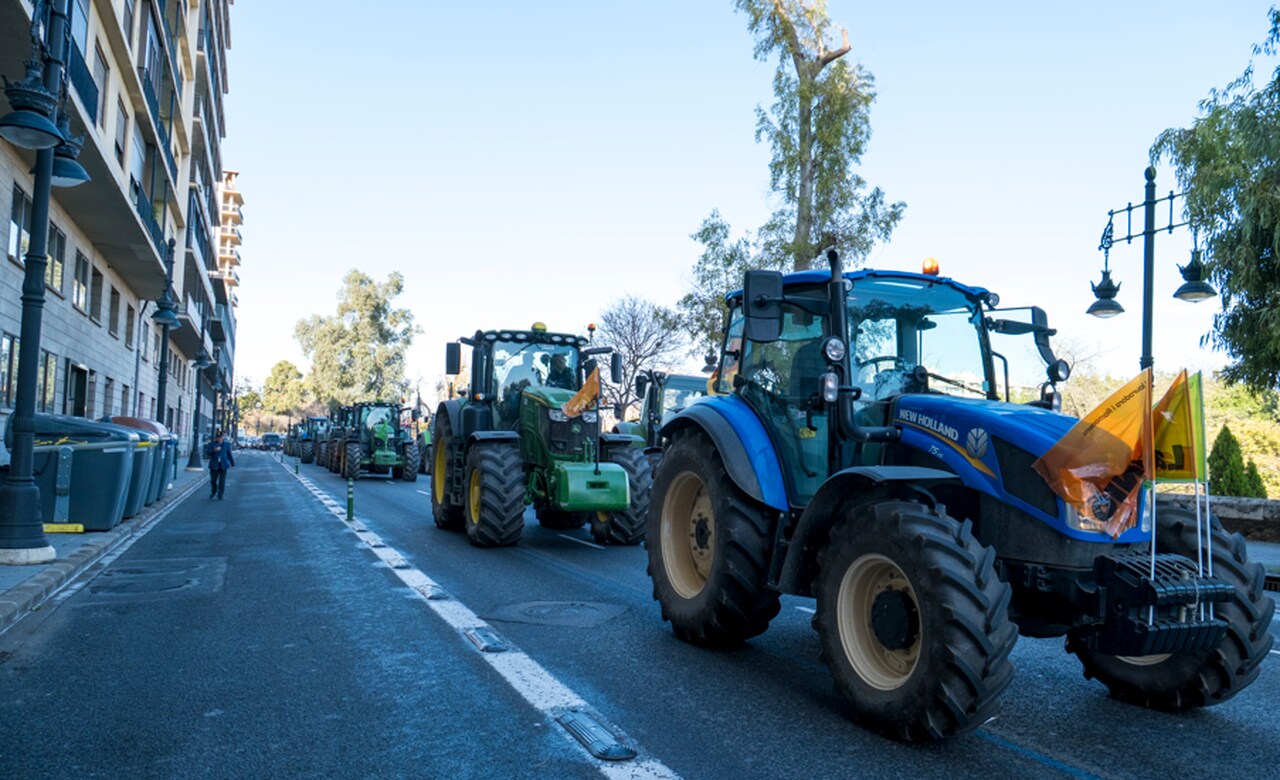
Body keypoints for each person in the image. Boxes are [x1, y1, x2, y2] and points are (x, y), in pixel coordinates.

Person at [206, 429, 235, 500]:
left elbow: (229, 454)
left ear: (222, 437)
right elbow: (208, 453)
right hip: (214, 465)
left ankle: (220, 495)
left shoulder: (226, 445)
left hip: (223, 464)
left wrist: (232, 463)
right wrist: (214, 450)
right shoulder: (212, 444)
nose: (219, 439)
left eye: (220, 437)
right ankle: (214, 490)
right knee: (213, 480)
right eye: (217, 437)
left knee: (222, 481)